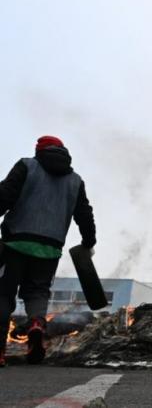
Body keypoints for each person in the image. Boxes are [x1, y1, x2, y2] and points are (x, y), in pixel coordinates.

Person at [0, 136, 96, 366]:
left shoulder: (27, 165)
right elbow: (84, 213)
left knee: (3, 294)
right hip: (50, 248)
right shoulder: (75, 181)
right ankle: (36, 324)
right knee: (38, 292)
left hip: (15, 243)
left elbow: (4, 196)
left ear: (38, 150)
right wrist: (88, 241)